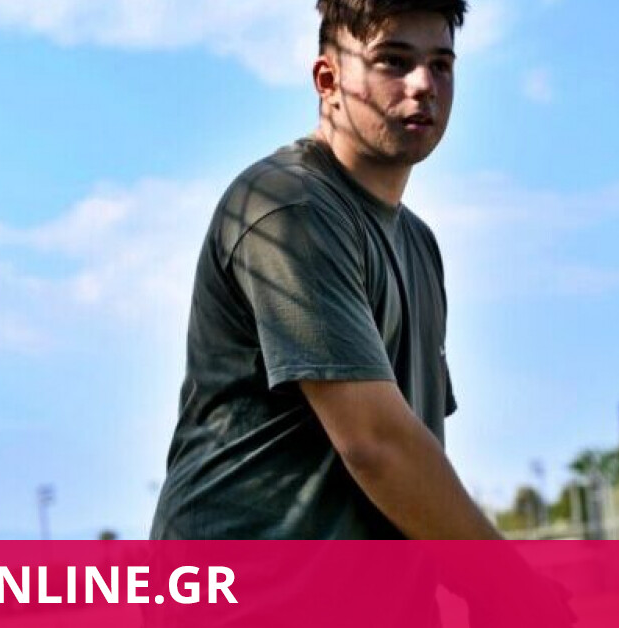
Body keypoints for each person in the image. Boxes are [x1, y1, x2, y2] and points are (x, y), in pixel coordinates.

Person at [149, 0, 499, 541]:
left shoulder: (419, 245)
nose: (424, 85)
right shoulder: (289, 204)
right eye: (393, 61)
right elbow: (376, 444)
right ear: (328, 80)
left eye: (441, 64)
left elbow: (414, 455)